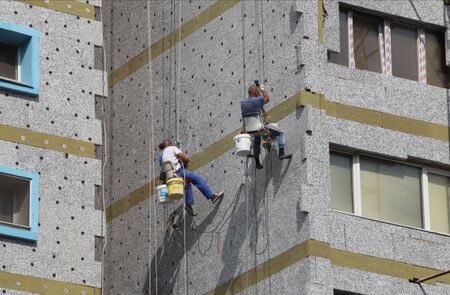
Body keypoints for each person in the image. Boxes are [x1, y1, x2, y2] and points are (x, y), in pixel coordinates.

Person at [159, 139, 224, 216]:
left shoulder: (160, 157)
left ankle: (188, 205)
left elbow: (162, 172)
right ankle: (212, 196)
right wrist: (186, 164)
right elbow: (184, 158)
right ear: (170, 144)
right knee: (197, 179)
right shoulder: (172, 148)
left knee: (187, 184)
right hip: (178, 172)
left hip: (170, 178)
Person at [240, 83, 292, 169]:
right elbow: (267, 98)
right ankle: (281, 153)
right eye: (257, 92)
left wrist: (243, 131)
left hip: (250, 131)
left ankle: (257, 161)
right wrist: (262, 88)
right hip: (261, 129)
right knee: (281, 132)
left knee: (256, 140)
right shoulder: (258, 100)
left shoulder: (243, 104)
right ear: (256, 93)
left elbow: (245, 117)